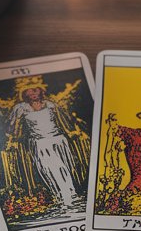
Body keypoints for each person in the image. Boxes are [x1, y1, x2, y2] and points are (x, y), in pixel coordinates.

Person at [5, 76, 87, 209]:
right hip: (40, 143)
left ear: (40, 90)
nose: (33, 93)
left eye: (35, 90)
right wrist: (13, 138)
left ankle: (70, 194)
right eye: (29, 91)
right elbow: (11, 127)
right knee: (51, 169)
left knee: (64, 166)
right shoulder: (21, 108)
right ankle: (64, 196)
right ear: (24, 93)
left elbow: (65, 120)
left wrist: (73, 132)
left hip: (58, 140)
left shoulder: (50, 105)